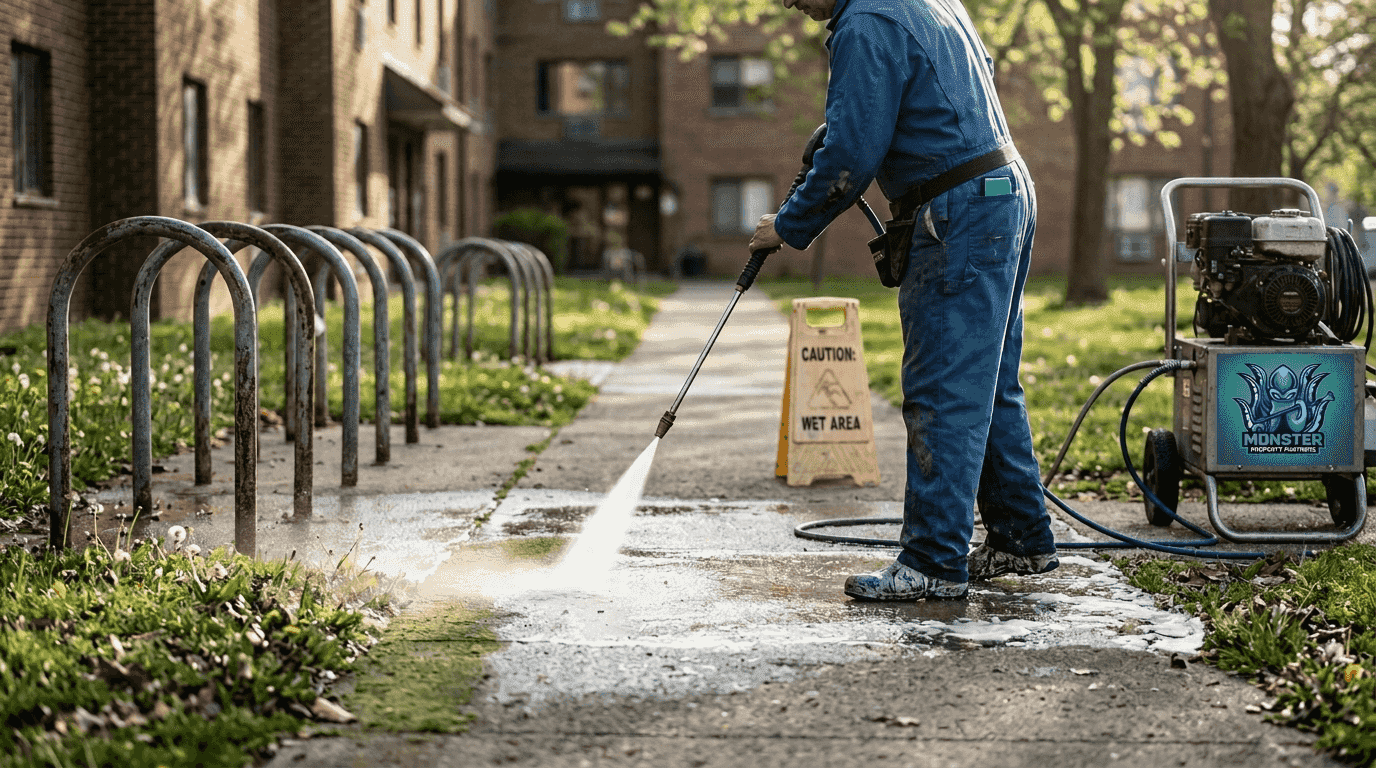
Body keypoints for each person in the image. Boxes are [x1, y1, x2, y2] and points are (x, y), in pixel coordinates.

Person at [750, 0, 1059, 600]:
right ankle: (1023, 542)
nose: (788, 2)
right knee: (989, 382)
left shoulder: (865, 22)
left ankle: (933, 561)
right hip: (1003, 189)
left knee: (942, 386)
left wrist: (787, 226)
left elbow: (850, 154)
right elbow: (976, 73)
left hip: (959, 207)